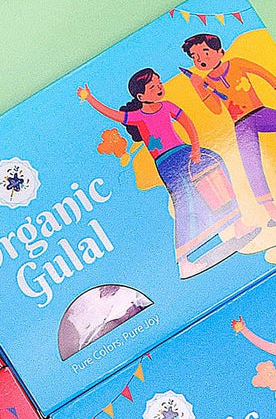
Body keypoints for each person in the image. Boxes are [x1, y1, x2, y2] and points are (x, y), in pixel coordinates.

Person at [77, 70, 258, 277]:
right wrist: (89, 98)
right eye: (152, 87)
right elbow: (112, 114)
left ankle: (238, 224)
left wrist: (196, 148)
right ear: (141, 96)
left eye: (159, 83)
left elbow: (188, 124)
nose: (159, 88)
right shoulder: (137, 116)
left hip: (185, 152)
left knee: (214, 166)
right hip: (167, 162)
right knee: (185, 202)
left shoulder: (168, 106)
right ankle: (184, 261)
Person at [181, 33, 276, 222]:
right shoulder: (206, 82)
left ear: (220, 52)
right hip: (241, 125)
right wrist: (200, 88)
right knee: (251, 163)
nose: (200, 59)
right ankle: (270, 208)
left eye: (205, 52)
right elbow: (216, 109)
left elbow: (260, 71)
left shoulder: (236, 63)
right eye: (194, 56)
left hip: (260, 113)